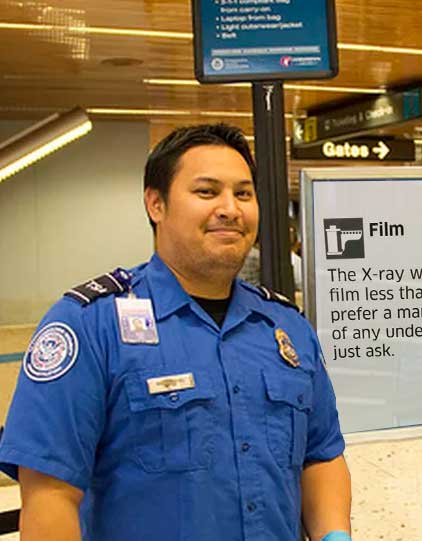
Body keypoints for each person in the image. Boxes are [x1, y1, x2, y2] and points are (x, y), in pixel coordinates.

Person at [0, 124, 353, 541]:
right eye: (207, 192)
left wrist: (334, 534)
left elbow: (321, 455)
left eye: (243, 194)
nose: (230, 209)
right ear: (156, 204)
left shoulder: (285, 328)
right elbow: (50, 496)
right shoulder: (90, 325)